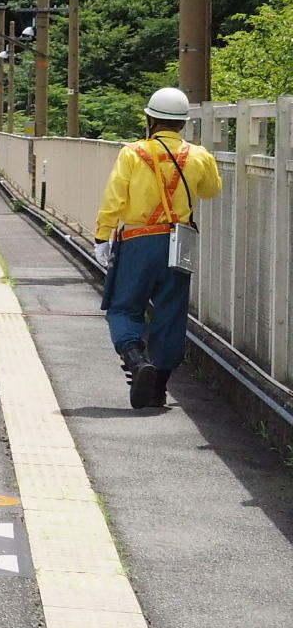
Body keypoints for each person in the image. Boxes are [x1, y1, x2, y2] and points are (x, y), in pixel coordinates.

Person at [93, 87, 222, 409]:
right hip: (180, 242)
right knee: (171, 312)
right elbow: (211, 190)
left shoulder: (133, 152)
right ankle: (158, 389)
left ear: (150, 118)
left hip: (139, 240)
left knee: (124, 308)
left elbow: (114, 197)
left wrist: (102, 235)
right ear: (183, 124)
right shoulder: (199, 155)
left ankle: (137, 362)